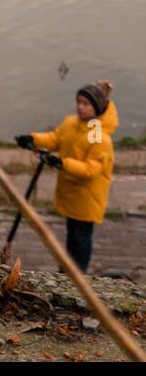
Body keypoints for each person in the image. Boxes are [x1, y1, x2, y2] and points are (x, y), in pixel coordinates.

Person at [15, 81, 118, 272]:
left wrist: (62, 163)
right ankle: (68, 272)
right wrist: (34, 139)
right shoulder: (72, 123)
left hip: (87, 197)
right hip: (72, 194)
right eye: (78, 102)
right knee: (73, 235)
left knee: (81, 238)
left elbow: (91, 169)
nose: (80, 106)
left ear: (97, 108)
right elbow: (56, 138)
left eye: (86, 104)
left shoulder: (98, 135)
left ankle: (78, 275)